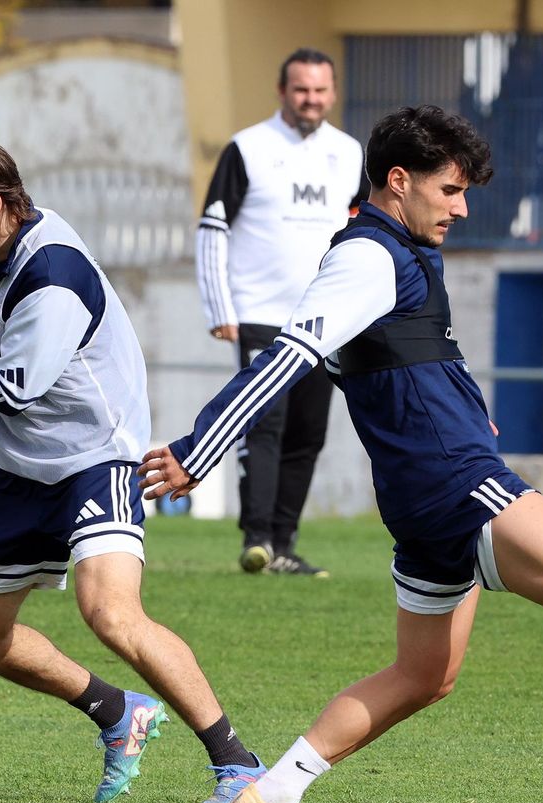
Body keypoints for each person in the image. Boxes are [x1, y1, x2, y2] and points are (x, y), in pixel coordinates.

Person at [141, 106, 543, 803]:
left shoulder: (401, 250)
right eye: (450, 190)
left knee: (425, 675)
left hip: (422, 492)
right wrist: (199, 448)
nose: (461, 209)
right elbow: (290, 357)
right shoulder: (368, 257)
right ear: (398, 181)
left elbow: (408, 361)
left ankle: (271, 793)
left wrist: (469, 408)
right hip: (454, 481)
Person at [0, 127, 265, 803]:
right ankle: (118, 712)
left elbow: (10, 387)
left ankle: (238, 764)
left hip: (98, 457)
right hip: (23, 465)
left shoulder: (53, 275)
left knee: (111, 613)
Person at [194, 48, 367, 576]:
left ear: (332, 93)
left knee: (308, 433)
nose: (310, 99)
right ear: (282, 91)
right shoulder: (248, 148)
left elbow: (363, 231)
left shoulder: (350, 153)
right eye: (301, 89)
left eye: (319, 90)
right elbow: (212, 228)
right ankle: (258, 540)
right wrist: (220, 306)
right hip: (260, 315)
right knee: (264, 426)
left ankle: (285, 545)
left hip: (324, 320)